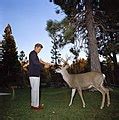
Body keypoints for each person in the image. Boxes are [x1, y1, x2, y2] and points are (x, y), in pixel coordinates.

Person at [29, 43, 51, 110]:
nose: (39, 51)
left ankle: (33, 105)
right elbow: (36, 63)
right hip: (34, 75)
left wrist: (44, 63)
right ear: (36, 47)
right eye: (39, 49)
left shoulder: (34, 54)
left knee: (34, 90)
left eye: (40, 50)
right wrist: (44, 66)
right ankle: (36, 106)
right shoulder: (33, 54)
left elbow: (37, 62)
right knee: (36, 90)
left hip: (33, 74)